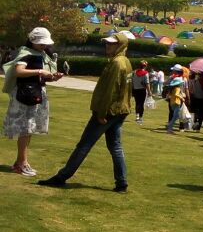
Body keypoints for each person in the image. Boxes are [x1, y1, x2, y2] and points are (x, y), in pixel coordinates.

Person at [38, 33, 131, 192]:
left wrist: (101, 113)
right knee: (115, 146)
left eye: (112, 44)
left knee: (84, 145)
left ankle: (62, 177)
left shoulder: (116, 63)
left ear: (120, 45)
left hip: (108, 111)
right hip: (120, 110)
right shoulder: (125, 61)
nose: (107, 46)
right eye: (107, 43)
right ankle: (121, 182)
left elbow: (110, 91)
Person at [3, 27, 63, 176]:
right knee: (26, 128)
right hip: (26, 95)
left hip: (35, 92)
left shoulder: (42, 54)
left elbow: (40, 75)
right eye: (41, 43)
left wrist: (52, 76)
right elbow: (19, 71)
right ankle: (22, 163)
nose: (44, 46)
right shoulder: (26, 53)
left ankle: (20, 162)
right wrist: (40, 71)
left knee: (29, 128)